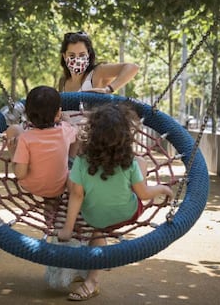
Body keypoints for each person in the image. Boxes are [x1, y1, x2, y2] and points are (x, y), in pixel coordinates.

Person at [57, 103, 174, 301]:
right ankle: (93, 278)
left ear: (91, 132)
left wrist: (68, 229)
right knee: (141, 163)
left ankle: (96, 268)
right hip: (127, 213)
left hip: (93, 216)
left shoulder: (81, 160)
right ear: (124, 136)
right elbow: (144, 194)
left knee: (97, 225)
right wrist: (162, 188)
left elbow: (76, 195)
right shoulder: (129, 160)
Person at [6, 85, 77, 198]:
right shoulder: (65, 129)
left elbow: (20, 174)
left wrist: (12, 152)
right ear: (58, 113)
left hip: (31, 186)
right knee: (78, 137)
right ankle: (71, 163)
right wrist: (67, 121)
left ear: (27, 116)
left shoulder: (25, 138)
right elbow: (76, 131)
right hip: (58, 187)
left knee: (13, 129)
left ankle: (16, 155)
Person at [59, 31, 139, 93]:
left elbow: (133, 67)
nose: (77, 59)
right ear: (64, 56)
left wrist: (109, 89)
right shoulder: (63, 81)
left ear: (89, 54)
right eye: (72, 55)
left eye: (82, 55)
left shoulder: (98, 72)